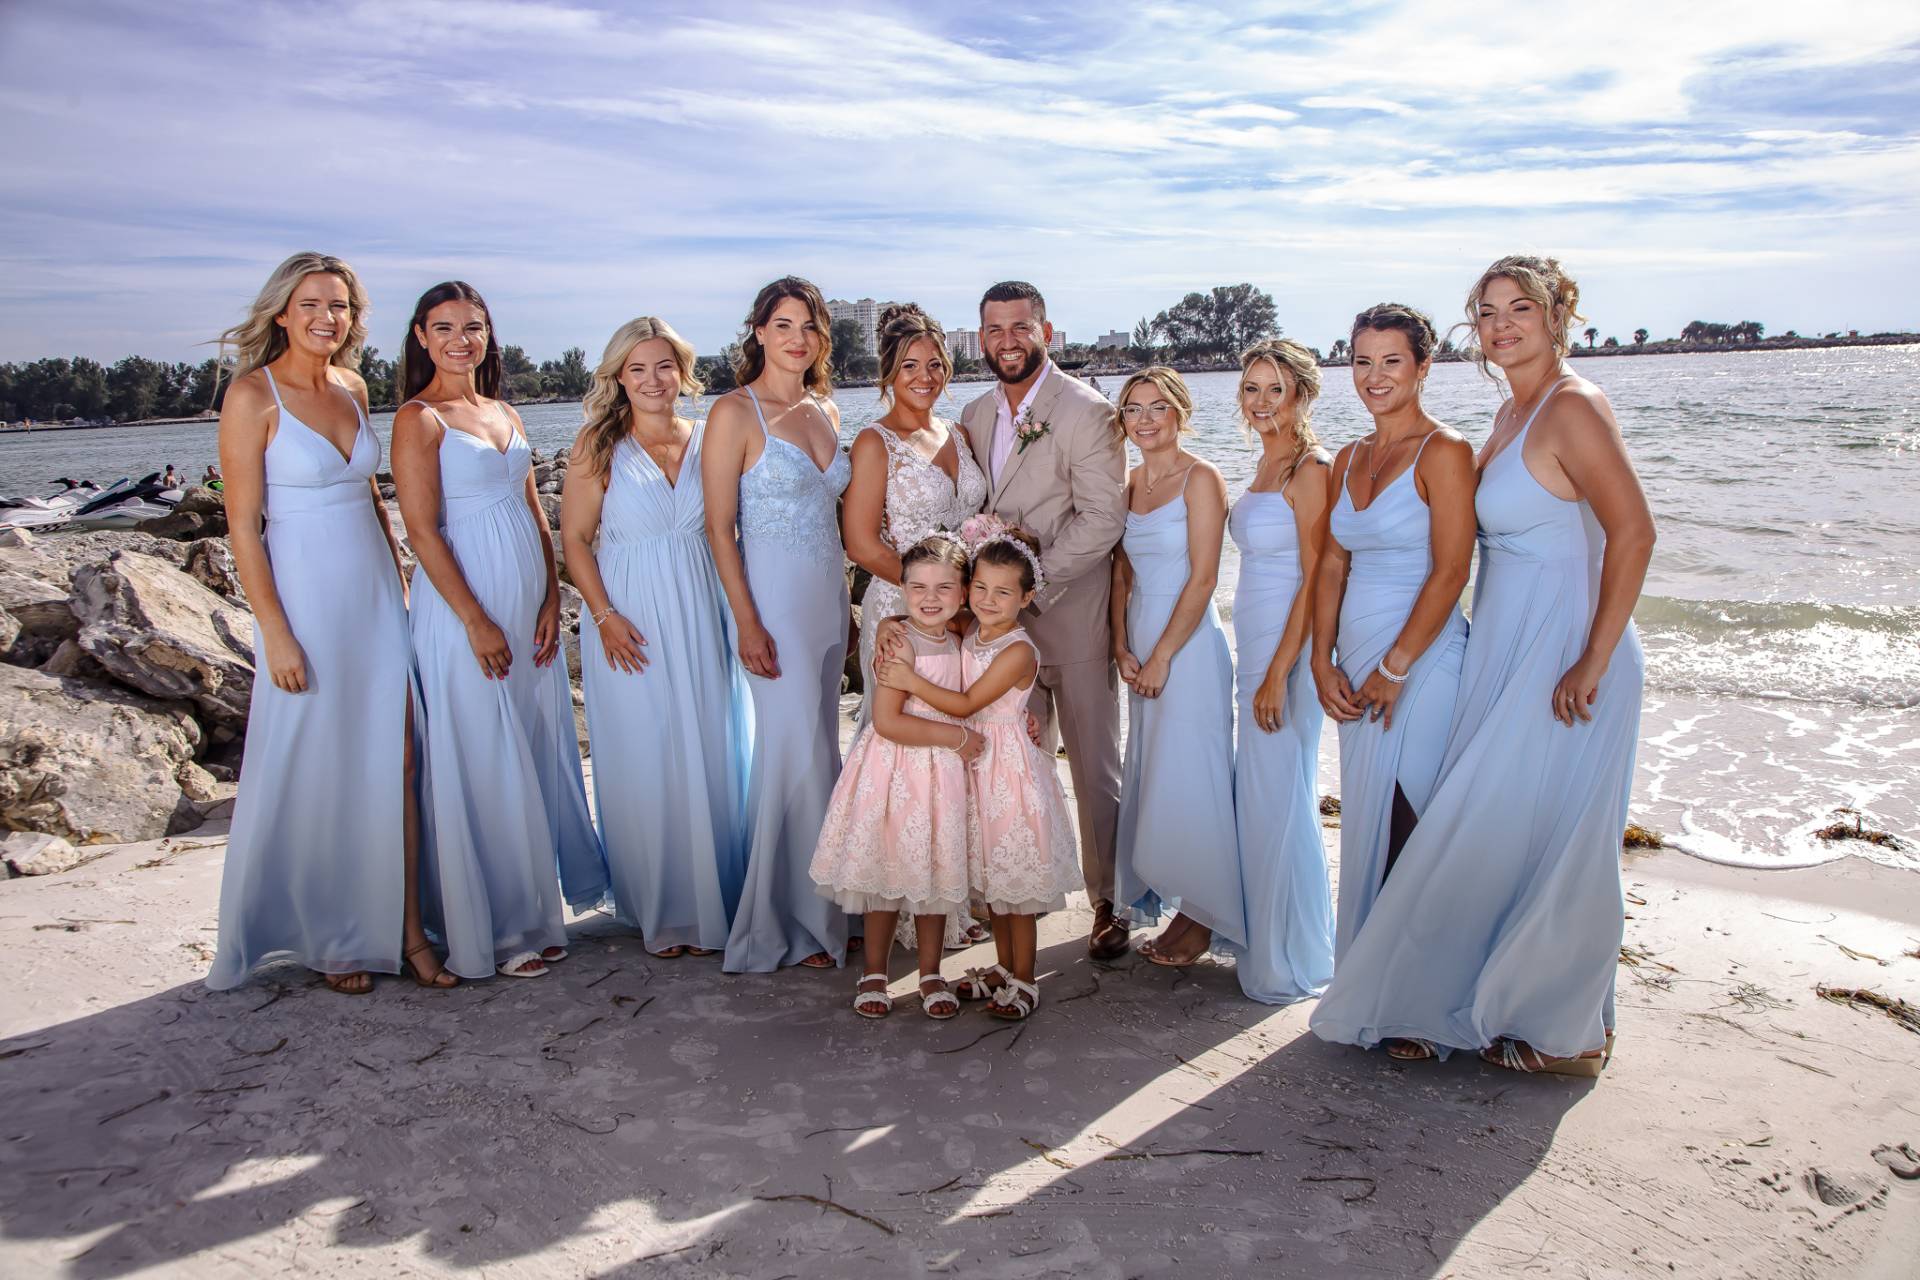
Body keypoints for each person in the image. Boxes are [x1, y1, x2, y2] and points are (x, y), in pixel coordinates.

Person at [1311, 256, 1653, 1074]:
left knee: (1567, 841)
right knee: (1520, 837)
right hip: (1508, 644)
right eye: (1488, 312)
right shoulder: (1512, 414)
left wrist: (1593, 658)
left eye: (1519, 309)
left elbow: (1633, 534)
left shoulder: (1572, 406)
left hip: (1567, 649)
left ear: (1556, 315)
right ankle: (1516, 1003)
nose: (1502, 326)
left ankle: (1573, 1035)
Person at [206, 252, 451, 994]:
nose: (327, 317)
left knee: (399, 759)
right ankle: (336, 935)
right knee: (321, 764)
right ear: (281, 311)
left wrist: (401, 579)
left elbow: (371, 496)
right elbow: (243, 527)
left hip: (374, 593)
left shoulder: (351, 385)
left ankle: (407, 929)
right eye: (312, 303)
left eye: (340, 306)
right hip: (304, 600)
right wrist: (274, 630)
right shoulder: (253, 397)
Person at [391, 281, 605, 980]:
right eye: (446, 327)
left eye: (474, 326)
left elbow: (535, 515)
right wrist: (476, 620)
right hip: (464, 612)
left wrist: (550, 595)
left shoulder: (502, 409)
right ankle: (495, 929)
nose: (462, 339)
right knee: (481, 757)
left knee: (530, 752)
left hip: (526, 607)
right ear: (421, 336)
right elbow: (421, 532)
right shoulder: (417, 420)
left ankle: (534, 915)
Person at [1308, 303, 1474, 1037]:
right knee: (1370, 823)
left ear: (1423, 367)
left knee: (1416, 825)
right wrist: (1320, 658)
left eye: (1391, 362)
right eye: (1362, 361)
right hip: (1354, 662)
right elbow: (1332, 563)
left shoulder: (1446, 451)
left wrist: (1397, 667)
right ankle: (1372, 989)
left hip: (1424, 660)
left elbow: (1451, 571)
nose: (1374, 377)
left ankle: (1419, 1006)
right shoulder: (1346, 459)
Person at [561, 317, 749, 959]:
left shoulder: (707, 439)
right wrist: (605, 614)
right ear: (618, 377)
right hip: (628, 616)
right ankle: (664, 905)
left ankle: (717, 894)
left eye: (663, 366)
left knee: (711, 742)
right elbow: (575, 541)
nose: (652, 380)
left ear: (683, 371)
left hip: (701, 605)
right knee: (645, 751)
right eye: (636, 368)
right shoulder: (597, 445)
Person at [959, 281, 1127, 959]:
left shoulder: (1086, 411)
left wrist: (1033, 581)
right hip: (999, 634)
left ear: (1046, 332)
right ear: (981, 338)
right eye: (994, 330)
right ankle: (1011, 895)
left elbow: (1103, 518)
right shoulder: (971, 414)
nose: (1007, 341)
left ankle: (1110, 901)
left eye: (1020, 327)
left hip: (1072, 616)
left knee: (1093, 769)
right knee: (1009, 765)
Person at [701, 276, 851, 973]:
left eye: (810, 326)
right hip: (776, 609)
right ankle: (785, 920)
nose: (798, 338)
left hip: (829, 605)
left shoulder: (825, 412)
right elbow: (719, 530)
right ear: (758, 331)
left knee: (824, 744)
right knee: (794, 753)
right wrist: (747, 621)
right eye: (784, 324)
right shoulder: (735, 413)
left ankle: (830, 907)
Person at [877, 526, 1081, 1020]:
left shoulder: (1017, 649)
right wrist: (887, 620)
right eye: (981, 588)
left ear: (1027, 597)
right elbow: (926, 614)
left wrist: (910, 680)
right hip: (975, 766)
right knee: (993, 884)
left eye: (1004, 592)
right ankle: (1002, 969)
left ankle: (1025, 979)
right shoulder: (971, 625)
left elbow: (968, 702)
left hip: (1008, 770)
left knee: (1015, 887)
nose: (989, 600)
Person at [811, 537, 983, 1019]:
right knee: (885, 874)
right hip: (897, 770)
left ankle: (931, 971)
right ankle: (875, 972)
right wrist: (955, 738)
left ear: (964, 591)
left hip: (943, 778)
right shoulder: (896, 642)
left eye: (945, 587)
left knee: (934, 873)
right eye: (918, 587)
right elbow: (887, 721)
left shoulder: (959, 637)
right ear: (901, 588)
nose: (931, 598)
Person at [1108, 368, 1240, 967]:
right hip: (1140, 644)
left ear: (1180, 411)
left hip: (1186, 648)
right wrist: (1120, 644)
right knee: (1156, 772)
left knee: (1192, 775)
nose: (1145, 419)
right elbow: (1122, 573)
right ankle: (1173, 902)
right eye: (1133, 409)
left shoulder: (1202, 478)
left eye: (1158, 407)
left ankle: (1202, 918)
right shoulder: (1128, 483)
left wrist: (1161, 654)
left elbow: (1205, 576)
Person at [1229, 339, 1335, 1004]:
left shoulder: (1310, 467)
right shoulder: (1265, 462)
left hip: (1283, 655)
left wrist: (1278, 671)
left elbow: (1320, 574)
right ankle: (1273, 937)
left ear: (1301, 394)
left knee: (1280, 794)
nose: (1262, 402)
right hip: (1255, 646)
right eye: (1251, 388)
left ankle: (1286, 955)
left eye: (1275, 389)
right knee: (1269, 794)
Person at [843, 303, 987, 725]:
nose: (925, 377)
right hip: (903, 606)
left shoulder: (957, 433)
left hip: (960, 611)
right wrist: (935, 594)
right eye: (910, 365)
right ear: (888, 371)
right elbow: (861, 544)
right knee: (903, 734)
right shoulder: (874, 442)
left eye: (935, 365)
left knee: (955, 724)